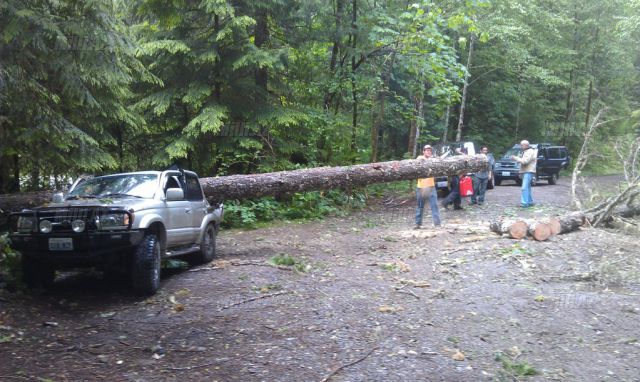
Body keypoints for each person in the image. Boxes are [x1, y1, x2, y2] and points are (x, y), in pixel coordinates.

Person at [414, 145, 441, 229]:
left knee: (434, 205)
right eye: (427, 150)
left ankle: (437, 224)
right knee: (420, 206)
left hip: (431, 186)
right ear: (423, 151)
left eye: (430, 150)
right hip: (421, 187)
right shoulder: (420, 158)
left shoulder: (433, 161)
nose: (429, 152)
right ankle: (418, 224)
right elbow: (418, 160)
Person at [511, 140, 537, 208]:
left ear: (526, 145)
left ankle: (524, 203)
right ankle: (530, 202)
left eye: (522, 145)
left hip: (528, 171)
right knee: (527, 187)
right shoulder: (527, 151)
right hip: (527, 171)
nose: (521, 146)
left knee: (524, 188)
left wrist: (516, 158)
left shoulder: (530, 151)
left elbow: (525, 161)